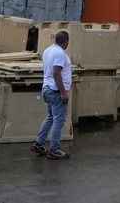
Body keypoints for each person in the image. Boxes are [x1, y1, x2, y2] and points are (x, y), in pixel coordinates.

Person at [31, 30, 72, 160]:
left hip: (47, 89)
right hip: (55, 91)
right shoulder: (60, 53)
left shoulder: (48, 50)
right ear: (65, 42)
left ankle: (39, 143)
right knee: (58, 120)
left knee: (50, 117)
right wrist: (63, 92)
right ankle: (54, 149)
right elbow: (56, 73)